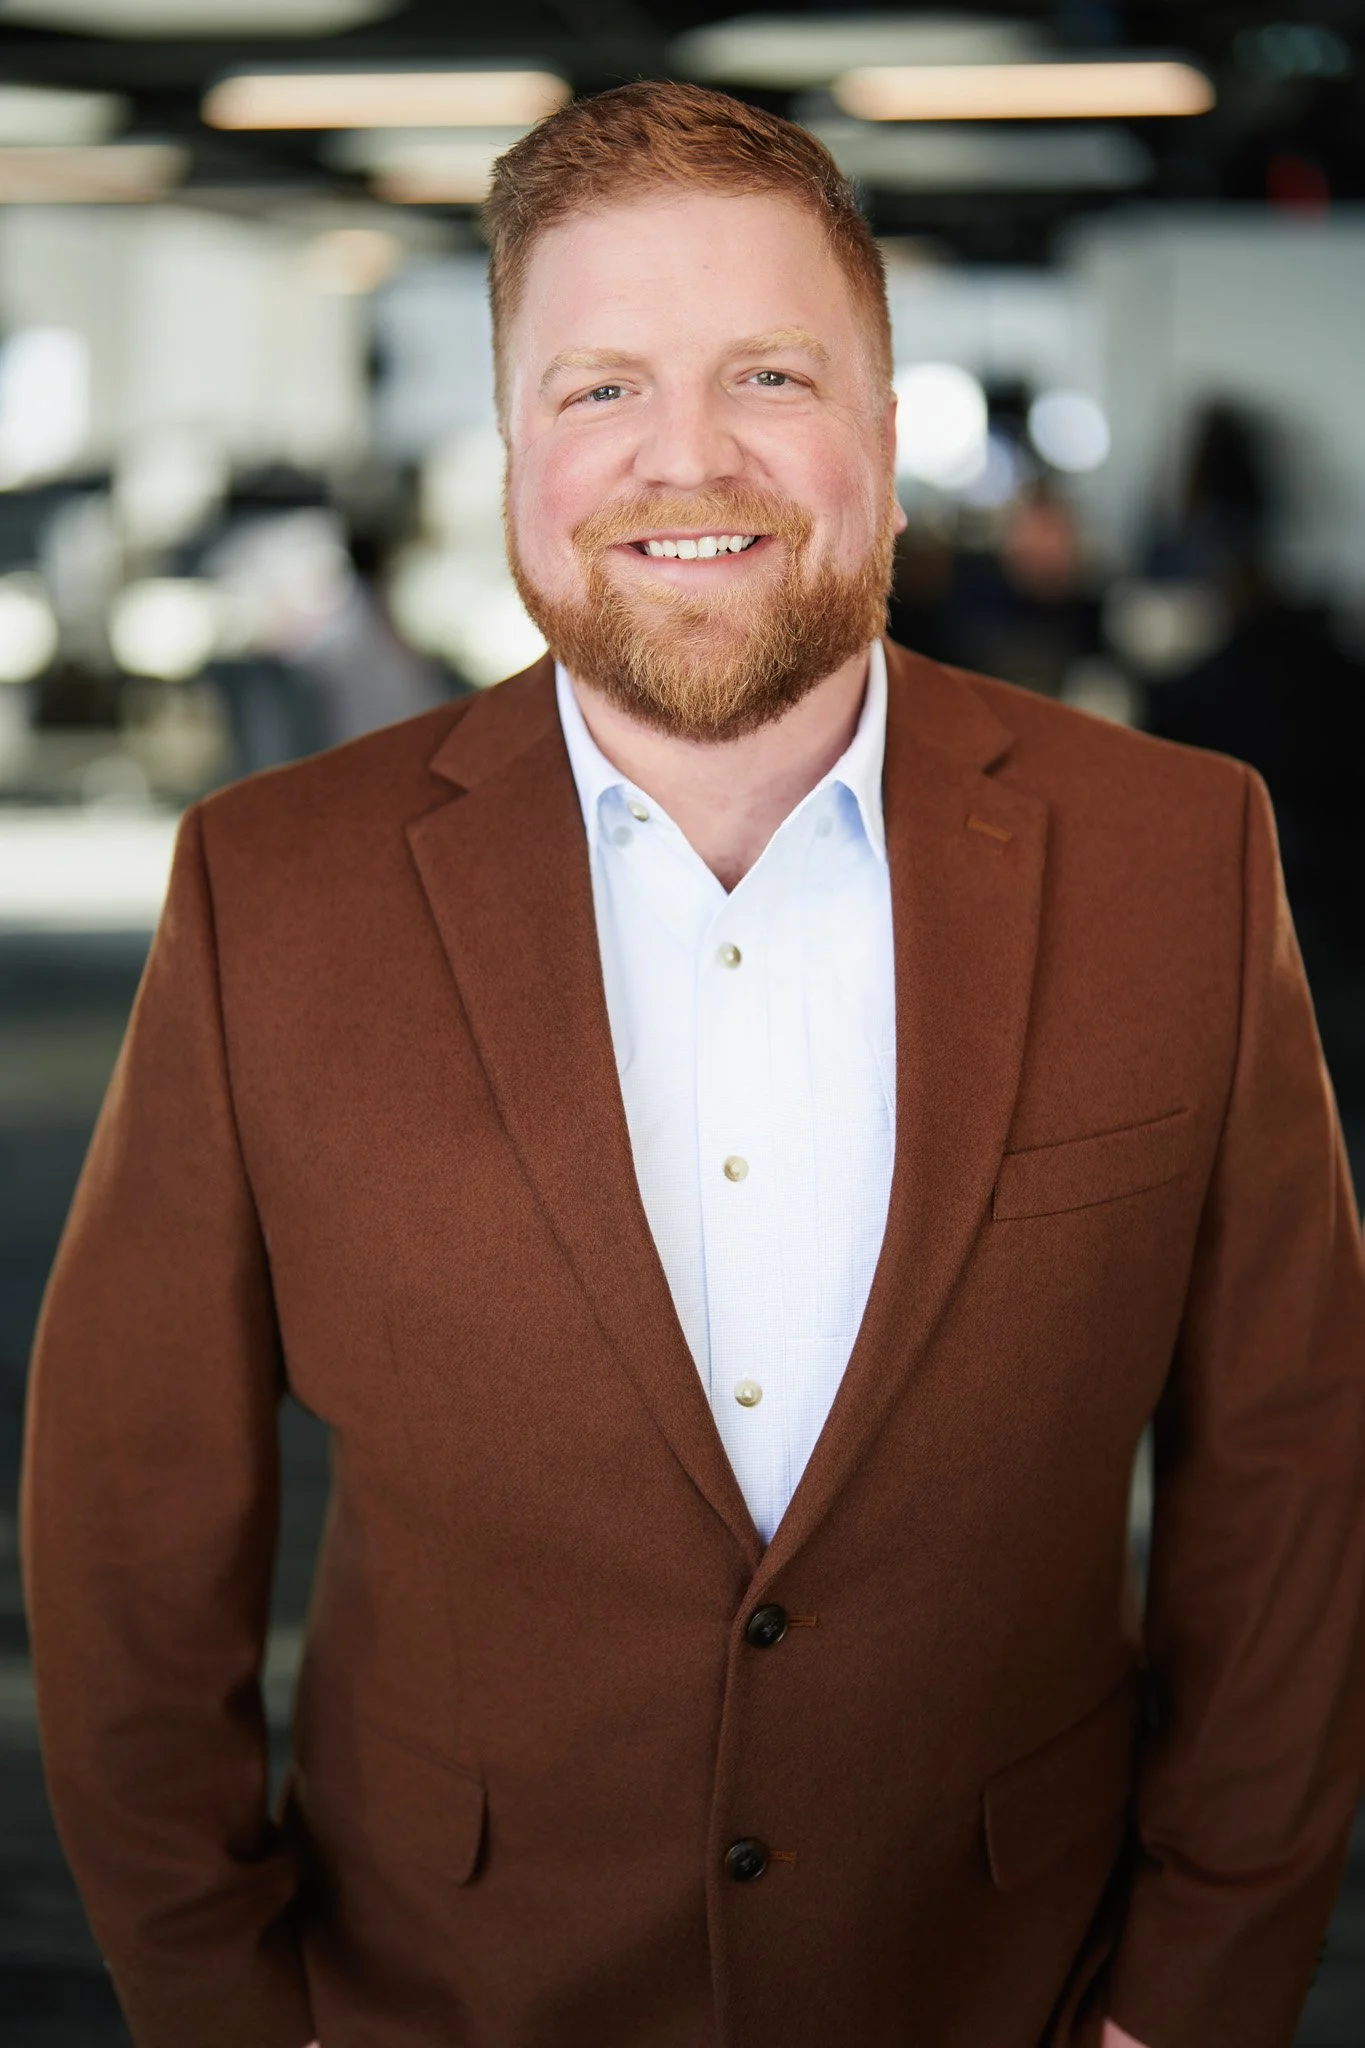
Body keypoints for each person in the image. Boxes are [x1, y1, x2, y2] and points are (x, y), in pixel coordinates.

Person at [20, 82, 1365, 2048]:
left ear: (887, 441)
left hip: (1010, 1988)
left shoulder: (1176, 851)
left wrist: (1186, 2005)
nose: (686, 457)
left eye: (767, 375)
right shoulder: (268, 887)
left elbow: (1291, 1475)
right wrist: (232, 2013)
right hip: (440, 1999)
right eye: (596, 391)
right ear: (507, 462)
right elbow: (133, 1529)